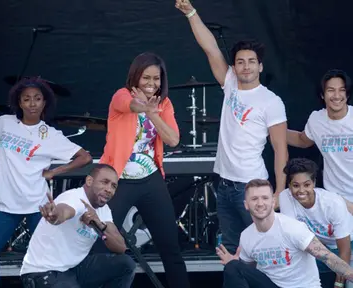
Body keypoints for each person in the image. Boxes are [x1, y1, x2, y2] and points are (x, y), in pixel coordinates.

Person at [175, 0, 288, 254]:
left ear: (260, 66)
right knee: (231, 250)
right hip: (224, 185)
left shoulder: (271, 101)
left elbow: (280, 149)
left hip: (252, 186)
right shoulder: (230, 83)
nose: (245, 66)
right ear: (234, 66)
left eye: (251, 61)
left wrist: (280, 191)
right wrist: (191, 13)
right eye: (240, 61)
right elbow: (211, 49)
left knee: (261, 249)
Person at [95, 52, 190, 288]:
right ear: (135, 77)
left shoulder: (164, 104)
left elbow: (173, 139)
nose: (151, 84)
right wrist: (146, 108)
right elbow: (132, 105)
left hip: (151, 180)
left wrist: (153, 113)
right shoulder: (122, 95)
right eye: (146, 78)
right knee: (100, 242)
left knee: (171, 247)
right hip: (118, 181)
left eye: (156, 78)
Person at [0, 77, 92, 256]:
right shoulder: (4, 123)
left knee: (50, 256)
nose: (32, 103)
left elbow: (84, 157)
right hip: (7, 205)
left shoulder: (51, 135)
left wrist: (54, 172)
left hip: (39, 205)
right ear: (19, 102)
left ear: (44, 102)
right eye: (26, 98)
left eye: (37, 98)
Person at [216, 179, 353, 288]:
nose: (260, 203)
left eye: (265, 198)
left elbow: (329, 258)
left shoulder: (292, 228)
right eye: (254, 199)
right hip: (272, 285)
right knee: (233, 267)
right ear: (246, 205)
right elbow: (250, 274)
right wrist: (235, 264)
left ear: (273, 202)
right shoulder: (246, 236)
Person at [20, 164, 135, 288]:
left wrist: (100, 224)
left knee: (126, 264)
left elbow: (120, 248)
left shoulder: (104, 210)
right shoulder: (74, 198)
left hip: (74, 269)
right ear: (89, 181)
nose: (109, 189)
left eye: (113, 186)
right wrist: (54, 215)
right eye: (104, 182)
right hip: (43, 272)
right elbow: (64, 211)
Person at [280, 158, 353, 288]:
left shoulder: (332, 203)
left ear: (314, 183)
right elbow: (293, 237)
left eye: (307, 185)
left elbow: (344, 249)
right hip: (316, 247)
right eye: (296, 185)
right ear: (289, 186)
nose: (301, 190)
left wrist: (339, 283)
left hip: (347, 246)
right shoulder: (286, 197)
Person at [287, 69, 353, 203]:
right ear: (322, 95)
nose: (336, 95)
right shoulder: (317, 119)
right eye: (330, 90)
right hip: (335, 198)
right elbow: (302, 140)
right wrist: (270, 130)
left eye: (342, 90)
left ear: (347, 94)